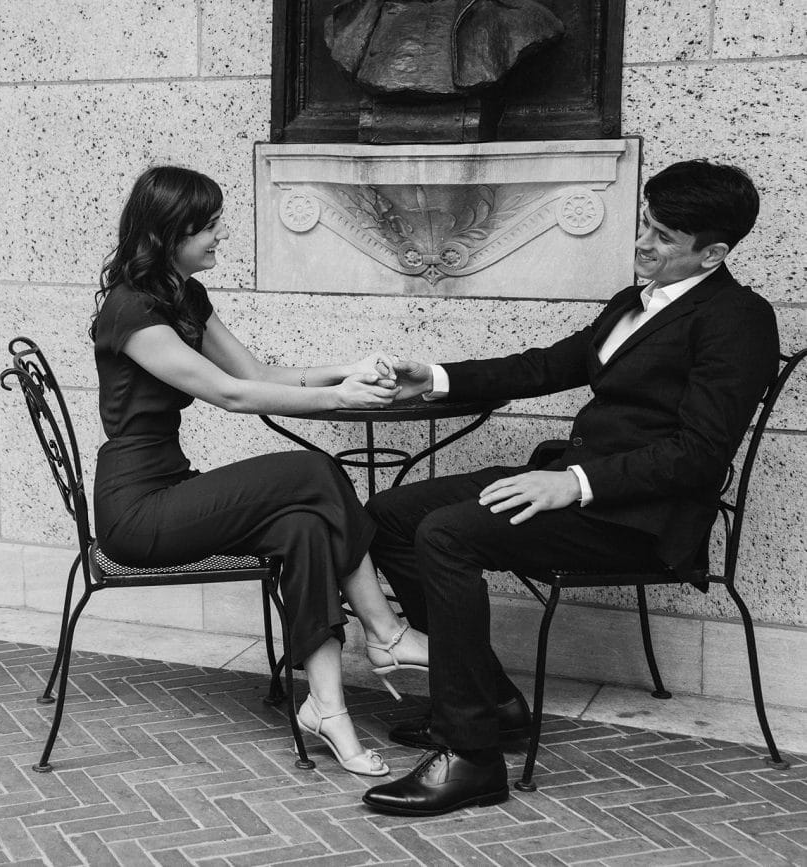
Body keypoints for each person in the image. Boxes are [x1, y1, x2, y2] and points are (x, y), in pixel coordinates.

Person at [359, 159, 779, 816]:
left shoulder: (738, 319)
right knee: (389, 513)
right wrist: (435, 377)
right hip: (576, 484)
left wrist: (573, 484)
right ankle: (491, 703)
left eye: (663, 236)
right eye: (644, 222)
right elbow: (549, 364)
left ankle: (471, 756)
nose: (642, 243)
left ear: (714, 252)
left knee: (445, 533)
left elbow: (699, 455)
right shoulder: (633, 301)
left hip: (638, 518)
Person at [91, 165, 430, 777]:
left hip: (173, 487)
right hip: (135, 511)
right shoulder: (131, 311)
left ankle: (327, 709)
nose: (222, 235)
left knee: (303, 523)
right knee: (312, 469)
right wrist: (341, 401)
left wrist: (343, 370)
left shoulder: (183, 296)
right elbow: (232, 396)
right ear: (171, 232)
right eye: (211, 226)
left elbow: (257, 374)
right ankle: (384, 628)